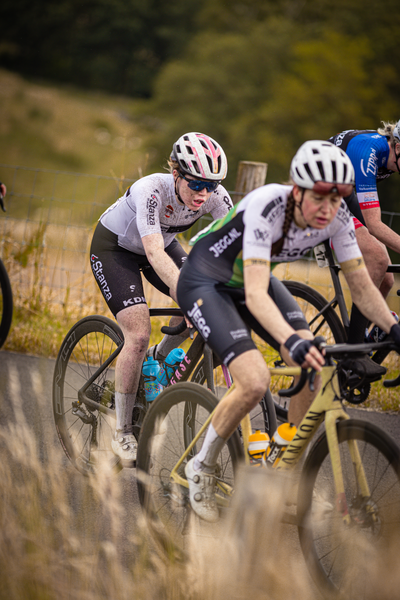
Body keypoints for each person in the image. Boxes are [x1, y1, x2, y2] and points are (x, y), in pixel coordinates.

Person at [176, 140, 400, 523]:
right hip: (206, 279)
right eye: (320, 197)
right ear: (297, 191)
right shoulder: (268, 205)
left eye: (338, 199)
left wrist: (394, 328)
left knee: (315, 364)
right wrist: (290, 339)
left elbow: (363, 288)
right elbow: (255, 292)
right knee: (254, 379)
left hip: (252, 282)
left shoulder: (338, 219)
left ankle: (282, 462)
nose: (328, 208)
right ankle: (201, 464)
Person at [90, 132, 233, 466]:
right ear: (176, 174)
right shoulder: (151, 189)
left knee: (196, 307)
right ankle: (122, 430)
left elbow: (235, 245)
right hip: (116, 249)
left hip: (162, 243)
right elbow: (153, 253)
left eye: (212, 185)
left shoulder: (215, 196)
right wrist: (189, 292)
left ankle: (158, 358)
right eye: (196, 184)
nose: (204, 194)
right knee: (138, 335)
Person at [328, 121, 400, 379]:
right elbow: (374, 224)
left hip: (344, 194)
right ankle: (353, 352)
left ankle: (367, 338)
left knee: (387, 278)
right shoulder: (369, 149)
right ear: (398, 146)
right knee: (378, 260)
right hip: (322, 197)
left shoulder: (389, 158)